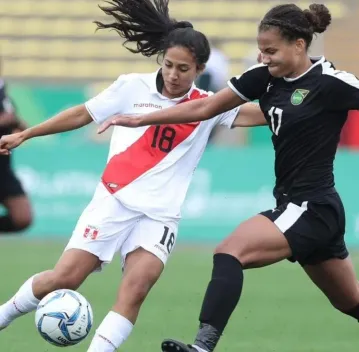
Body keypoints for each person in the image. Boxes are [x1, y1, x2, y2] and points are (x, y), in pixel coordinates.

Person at [98, 3, 359, 352]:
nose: (264, 57)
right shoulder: (264, 78)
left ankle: (202, 345)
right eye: (261, 50)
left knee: (229, 251)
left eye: (271, 50)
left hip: (311, 205)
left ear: (299, 44)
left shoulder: (331, 81)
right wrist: (140, 117)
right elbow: (207, 107)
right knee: (350, 298)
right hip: (302, 207)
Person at [0, 0, 265, 351]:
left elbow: (264, 114)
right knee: (65, 278)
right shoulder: (131, 87)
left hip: (159, 215)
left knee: (135, 290)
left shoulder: (210, 105)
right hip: (113, 201)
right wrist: (27, 133)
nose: (173, 74)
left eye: (183, 69)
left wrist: (298, 89)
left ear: (199, 68)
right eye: (168, 65)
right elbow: (83, 114)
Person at [0, 70, 32, 234]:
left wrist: (17, 122)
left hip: (3, 169)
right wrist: (5, 119)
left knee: (22, 218)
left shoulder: (6, 99)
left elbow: (20, 126)